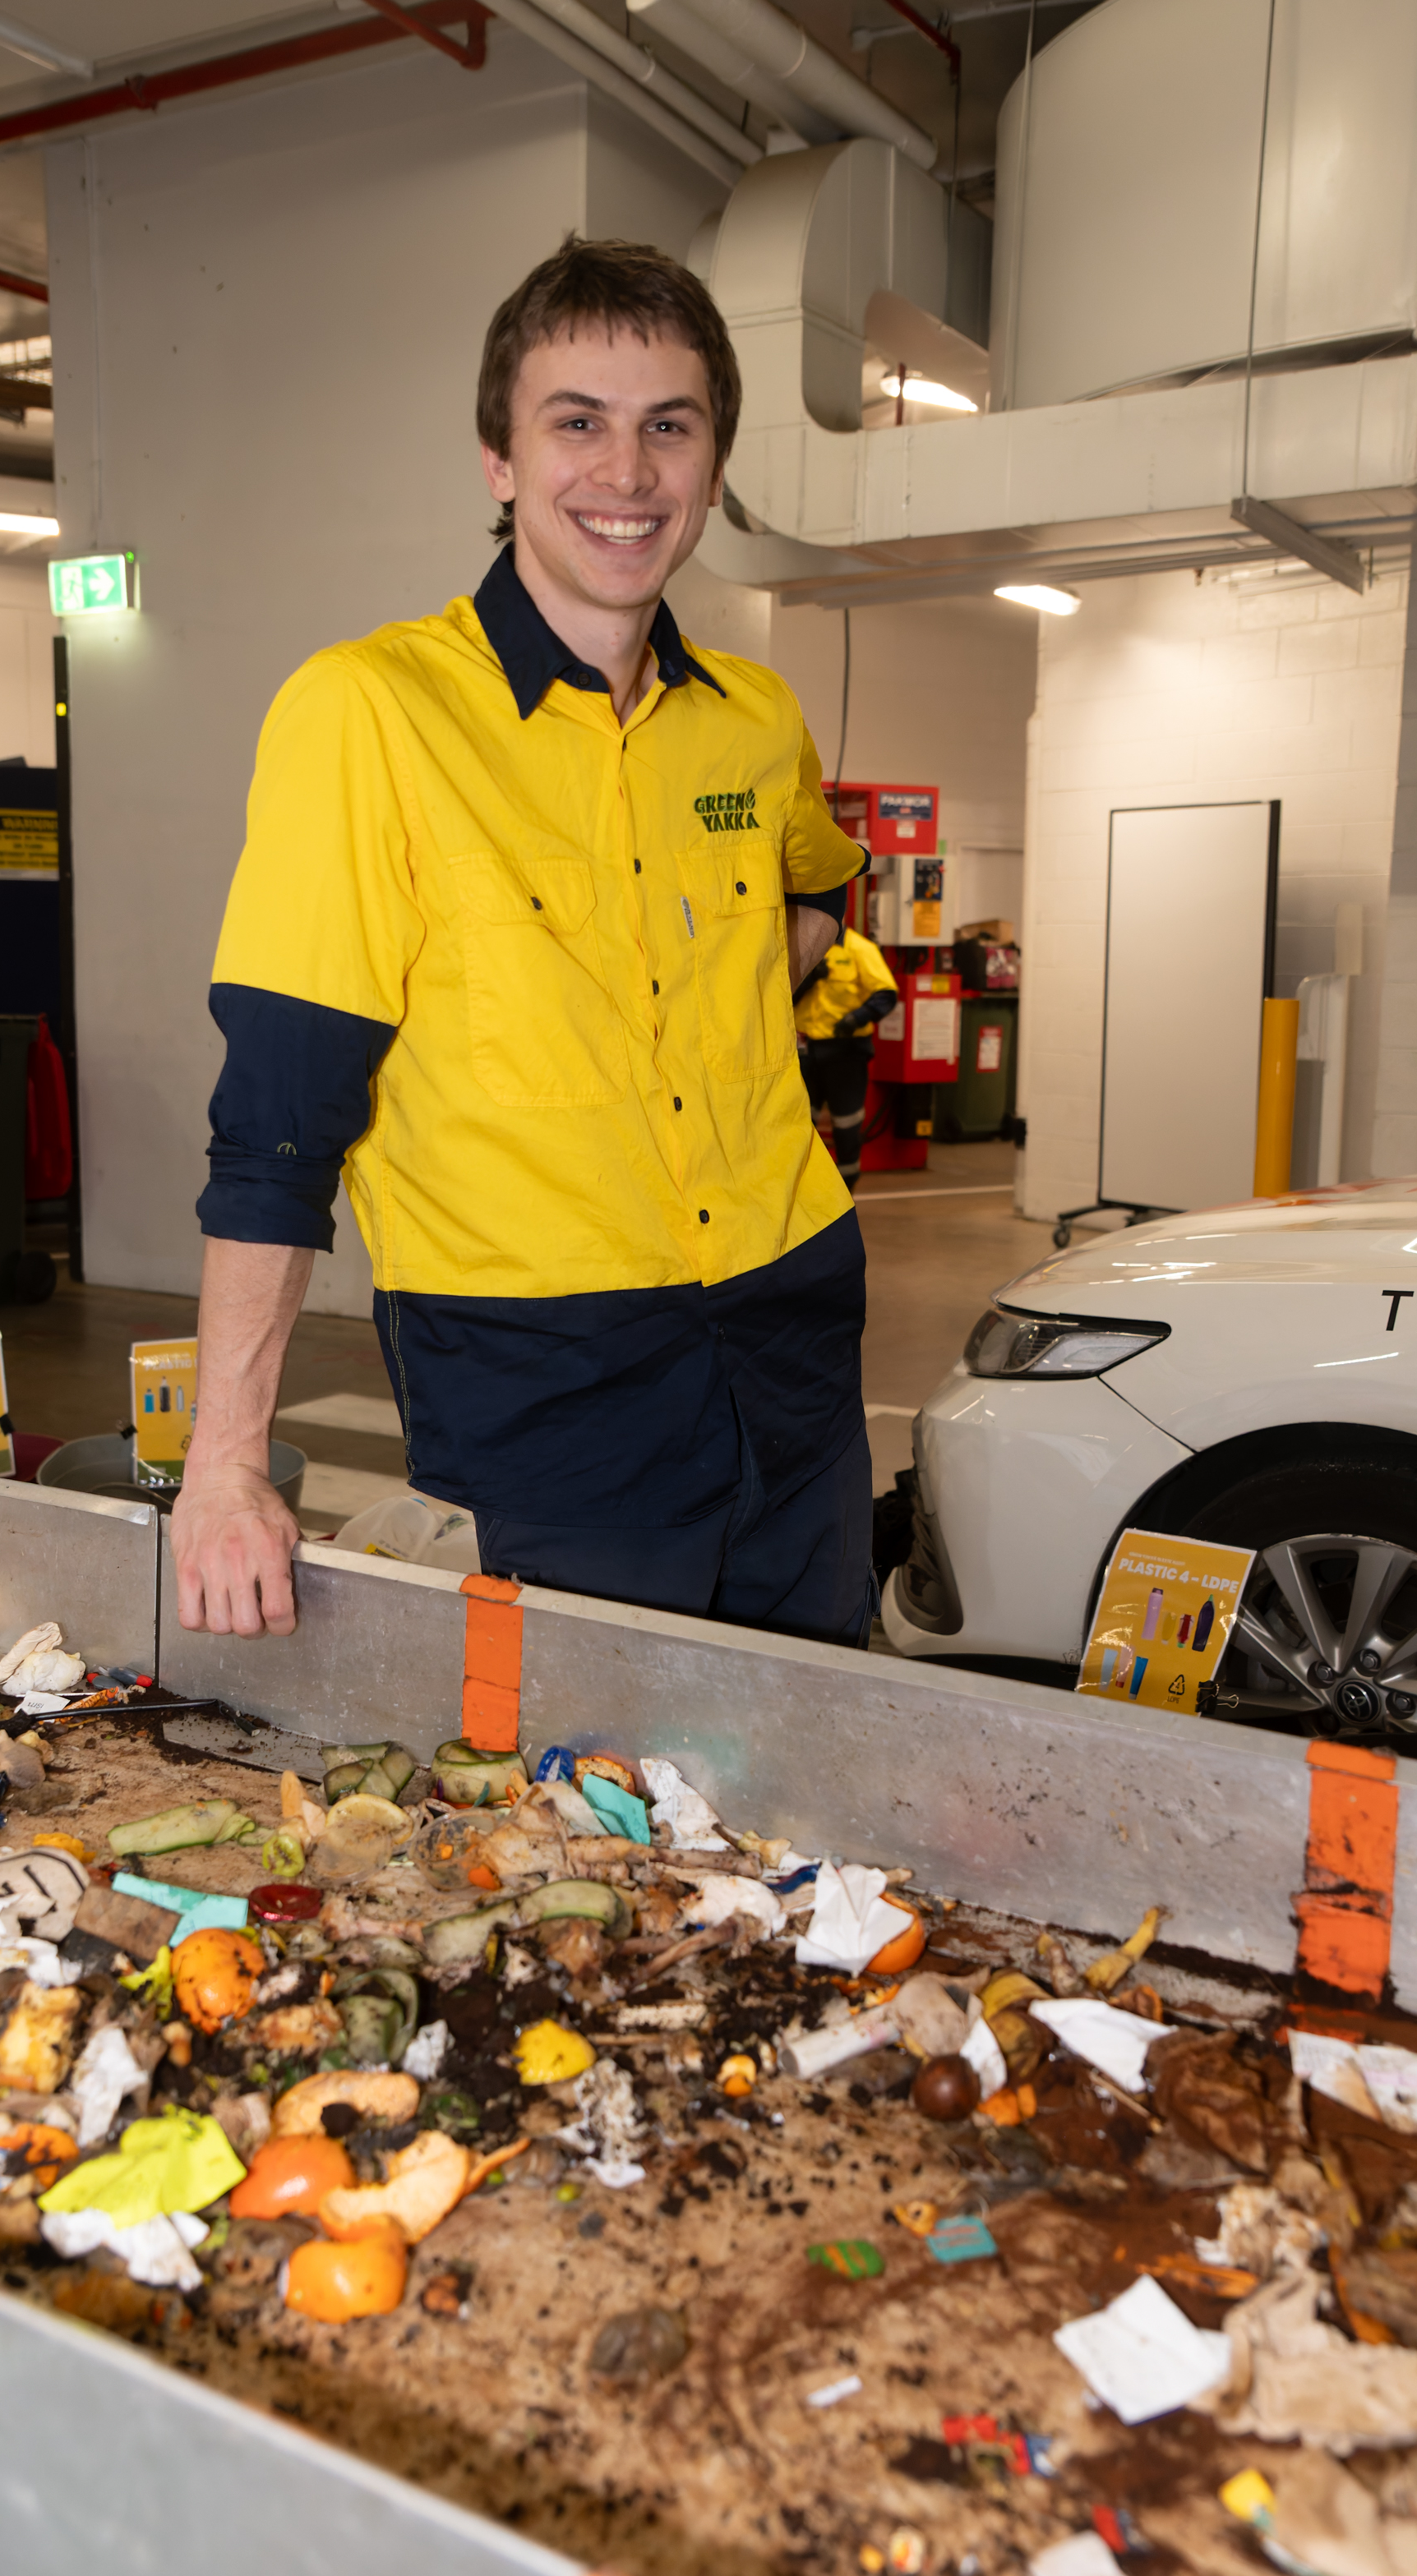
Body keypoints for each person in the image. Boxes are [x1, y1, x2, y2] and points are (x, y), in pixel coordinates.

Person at [172, 236, 870, 1651]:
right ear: (499, 459)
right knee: (594, 1797)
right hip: (544, 1365)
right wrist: (225, 1465)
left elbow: (816, 887)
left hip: (789, 1318)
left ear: (714, 466)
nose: (628, 474)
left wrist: (727, 1005)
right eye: (579, 423)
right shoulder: (371, 714)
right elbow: (280, 1124)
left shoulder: (755, 719)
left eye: (669, 427)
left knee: (823, 1750)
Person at [793, 918, 900, 1191]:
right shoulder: (799, 949)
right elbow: (779, 994)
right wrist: (809, 980)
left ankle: (846, 1187)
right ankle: (806, 1188)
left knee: (846, 1122)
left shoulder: (860, 949)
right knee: (800, 1123)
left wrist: (855, 1019)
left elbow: (886, 994)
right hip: (804, 1051)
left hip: (846, 1052)